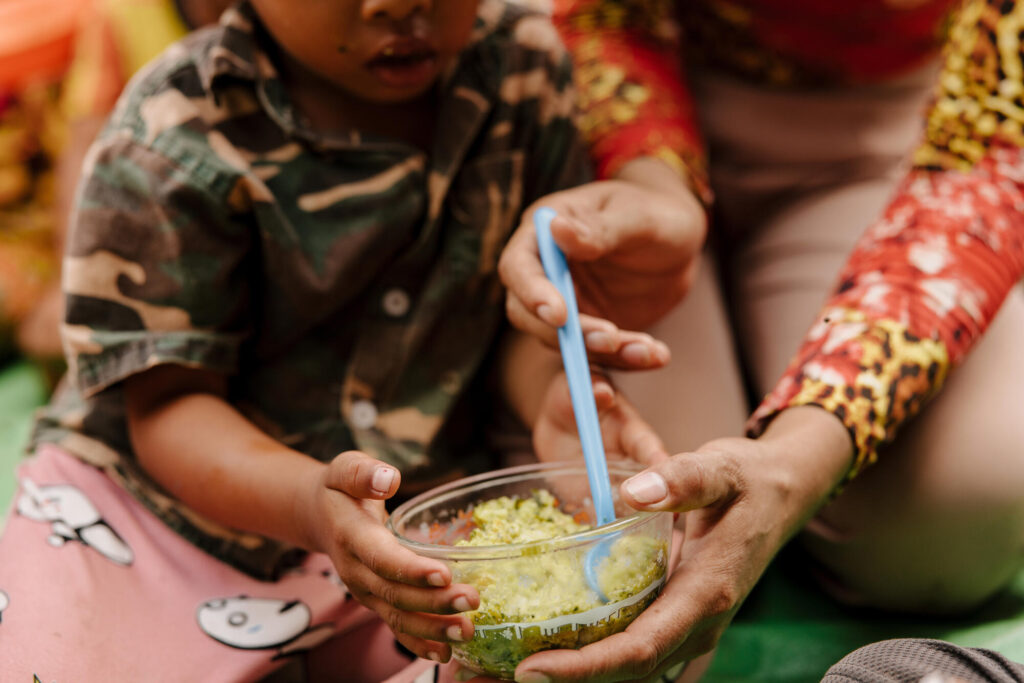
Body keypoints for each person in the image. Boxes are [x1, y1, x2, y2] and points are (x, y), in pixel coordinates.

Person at [0, 1, 667, 680]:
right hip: (153, 519)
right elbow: (166, 405)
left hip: (408, 525)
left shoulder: (526, 69)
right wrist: (307, 505)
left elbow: (511, 317)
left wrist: (548, 392)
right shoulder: (170, 135)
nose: (400, 5)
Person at [495, 0, 1024, 681]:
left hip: (901, 144)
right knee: (649, 549)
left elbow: (987, 155)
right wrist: (652, 180)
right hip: (637, 128)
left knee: (956, 522)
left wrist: (796, 462)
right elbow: (604, 15)